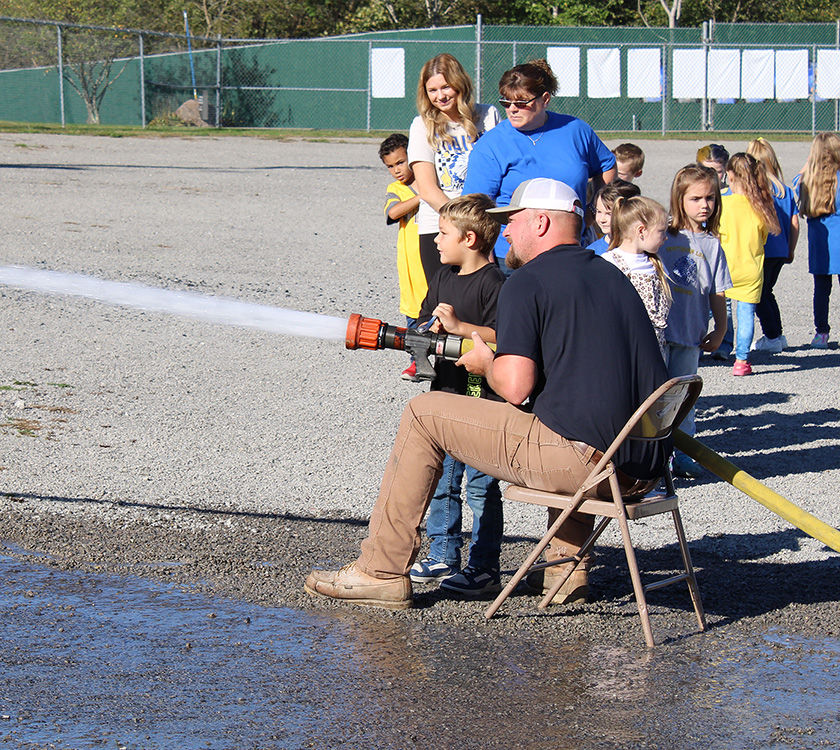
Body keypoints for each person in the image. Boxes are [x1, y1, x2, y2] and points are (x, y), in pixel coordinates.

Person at [304, 178, 671, 610]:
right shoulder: (612, 275)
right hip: (639, 470)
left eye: (511, 221)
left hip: (584, 466)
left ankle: (380, 570)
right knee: (575, 418)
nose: (506, 233)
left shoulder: (527, 281)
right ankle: (565, 572)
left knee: (424, 412)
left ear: (539, 221)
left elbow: (515, 387)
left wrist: (485, 366)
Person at [408, 194, 506, 596]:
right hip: (445, 394)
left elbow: (505, 337)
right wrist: (422, 331)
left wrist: (463, 327)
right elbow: (423, 317)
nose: (435, 240)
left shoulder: (496, 284)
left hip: (483, 401)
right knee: (444, 479)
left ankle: (484, 567)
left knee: (482, 485)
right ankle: (443, 556)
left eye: (443, 233)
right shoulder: (444, 276)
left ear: (469, 239)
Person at [462, 59, 616, 274]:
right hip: (513, 258)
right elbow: (474, 206)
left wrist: (591, 212)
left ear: (545, 99)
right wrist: (484, 257)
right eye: (506, 102)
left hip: (570, 251)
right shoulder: (492, 144)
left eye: (521, 102)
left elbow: (606, 167)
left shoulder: (575, 130)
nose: (512, 109)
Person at [660, 164, 732, 479]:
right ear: (680, 199)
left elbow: (717, 291)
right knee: (656, 396)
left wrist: (722, 328)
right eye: (696, 198)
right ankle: (653, 454)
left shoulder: (713, 245)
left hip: (691, 334)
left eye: (710, 198)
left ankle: (683, 452)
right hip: (659, 332)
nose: (704, 205)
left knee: (685, 396)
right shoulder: (662, 235)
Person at [407, 54, 499, 287]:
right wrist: (463, 223)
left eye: (446, 87)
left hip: (485, 226)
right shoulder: (422, 126)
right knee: (447, 299)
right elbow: (427, 189)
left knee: (487, 298)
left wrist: (480, 224)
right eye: (432, 90)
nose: (440, 96)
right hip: (440, 226)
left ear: (460, 84)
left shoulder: (488, 116)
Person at [720, 153, 781, 376]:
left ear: (729, 174)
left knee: (721, 309)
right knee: (746, 313)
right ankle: (742, 361)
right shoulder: (760, 204)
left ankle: (720, 346)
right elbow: (763, 237)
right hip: (751, 268)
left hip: (726, 267)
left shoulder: (722, 202)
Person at [746, 138, 799, 354]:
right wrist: (791, 249)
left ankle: (772, 336)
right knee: (768, 292)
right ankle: (778, 334)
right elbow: (794, 222)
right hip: (781, 249)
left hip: (763, 249)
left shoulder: (756, 191)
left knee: (759, 295)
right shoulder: (784, 191)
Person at [601, 196, 672, 357]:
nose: (665, 237)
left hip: (655, 348)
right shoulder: (611, 262)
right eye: (661, 231)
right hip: (625, 346)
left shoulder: (656, 264)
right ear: (641, 231)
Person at [380, 133, 423, 381]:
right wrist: (422, 197)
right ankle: (417, 362)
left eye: (400, 162)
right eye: (390, 166)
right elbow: (393, 212)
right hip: (411, 269)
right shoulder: (396, 189)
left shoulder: (434, 181)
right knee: (414, 313)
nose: (396, 170)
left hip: (434, 262)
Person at [793, 132, 840, 349]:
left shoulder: (807, 182)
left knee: (821, 290)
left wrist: (809, 164)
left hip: (820, 246)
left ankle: (821, 333)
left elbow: (795, 180)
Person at [587, 180, 641, 255]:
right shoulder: (593, 253)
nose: (602, 219)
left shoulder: (648, 246)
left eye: (609, 214)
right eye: (598, 211)